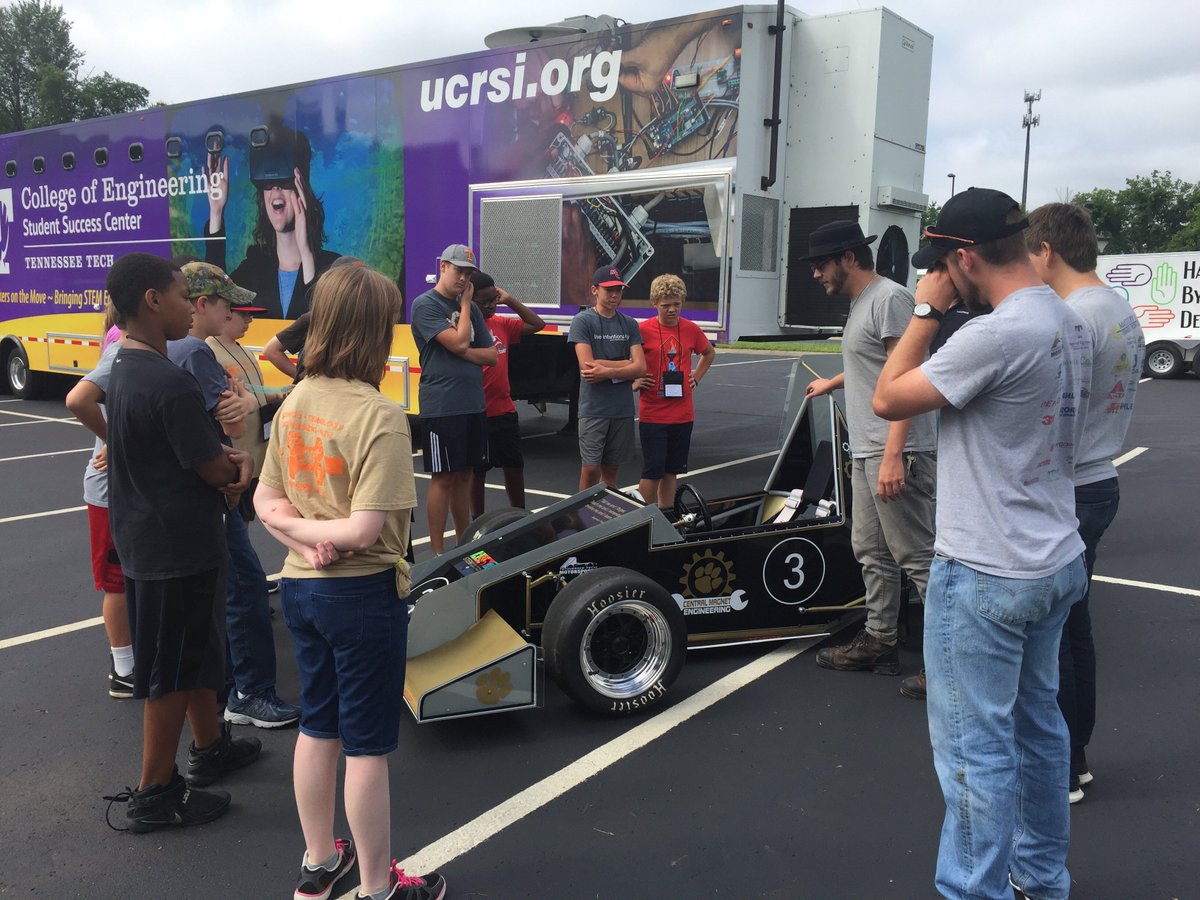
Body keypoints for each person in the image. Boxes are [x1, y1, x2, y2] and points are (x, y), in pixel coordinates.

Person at [873, 187, 1091, 900]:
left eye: (944, 262)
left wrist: (927, 311)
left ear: (965, 257)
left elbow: (889, 396)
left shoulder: (993, 336)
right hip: (1054, 557)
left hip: (987, 570)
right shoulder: (1068, 318)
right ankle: (1041, 880)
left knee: (975, 755)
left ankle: (976, 892)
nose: (939, 272)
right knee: (1039, 730)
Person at [254, 264, 446, 900]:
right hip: (361, 595)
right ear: (373, 332)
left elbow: (266, 505)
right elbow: (365, 530)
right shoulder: (381, 416)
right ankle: (376, 888)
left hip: (302, 590)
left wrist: (307, 540)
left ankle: (318, 860)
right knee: (365, 747)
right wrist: (331, 539)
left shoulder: (295, 402)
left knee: (318, 727)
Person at [101, 253, 260, 832]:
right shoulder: (168, 381)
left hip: (152, 539)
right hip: (176, 548)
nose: (187, 307)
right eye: (178, 296)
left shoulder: (125, 365)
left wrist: (222, 463)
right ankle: (154, 794)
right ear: (150, 301)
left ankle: (211, 745)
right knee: (169, 672)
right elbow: (213, 468)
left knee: (194, 653)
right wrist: (237, 467)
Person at [1027, 201, 1145, 804]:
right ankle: (1078, 755)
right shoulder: (1119, 309)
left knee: (1053, 636)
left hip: (1068, 487)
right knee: (1075, 626)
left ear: (1046, 249)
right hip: (1099, 481)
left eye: (1030, 250)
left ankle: (1064, 766)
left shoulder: (1073, 317)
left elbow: (1050, 411)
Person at [169, 261, 300, 729]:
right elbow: (230, 419)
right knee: (243, 590)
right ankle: (250, 692)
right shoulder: (195, 351)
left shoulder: (148, 350)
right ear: (203, 304)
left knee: (217, 595)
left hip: (185, 499)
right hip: (214, 491)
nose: (233, 314)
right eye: (227, 304)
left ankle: (225, 691)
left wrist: (248, 397)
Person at [803, 221, 937, 678]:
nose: (815, 274)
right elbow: (879, 366)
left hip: (895, 450)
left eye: (820, 264)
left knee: (917, 558)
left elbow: (908, 375)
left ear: (849, 258)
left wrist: (894, 454)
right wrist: (834, 382)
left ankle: (953, 661)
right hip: (868, 449)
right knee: (871, 551)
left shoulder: (891, 299)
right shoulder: (864, 303)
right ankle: (880, 640)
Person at [410, 244, 497, 555]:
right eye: (459, 270)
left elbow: (492, 356)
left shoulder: (471, 309)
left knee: (466, 475)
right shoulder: (425, 305)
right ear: (443, 266)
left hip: (473, 402)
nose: (464, 277)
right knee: (443, 477)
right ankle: (437, 553)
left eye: (469, 273)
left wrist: (464, 350)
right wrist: (466, 305)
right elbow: (460, 340)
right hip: (443, 404)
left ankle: (463, 545)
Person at [205, 122, 341, 320]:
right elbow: (213, 299)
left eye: (285, 183)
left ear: (302, 191)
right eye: (268, 184)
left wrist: (306, 253)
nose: (275, 191)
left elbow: (322, 321)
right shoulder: (253, 268)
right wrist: (216, 213)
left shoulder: (334, 267)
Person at [66, 326, 133, 698]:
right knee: (117, 581)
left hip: (132, 491)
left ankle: (132, 657)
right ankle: (123, 669)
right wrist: (114, 439)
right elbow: (77, 400)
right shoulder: (121, 350)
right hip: (109, 494)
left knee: (132, 578)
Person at [631, 274, 715, 507]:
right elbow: (626, 362)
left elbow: (709, 353)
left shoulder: (690, 329)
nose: (671, 310)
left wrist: (695, 378)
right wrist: (634, 382)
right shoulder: (642, 330)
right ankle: (641, 517)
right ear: (654, 303)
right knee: (652, 470)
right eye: (666, 305)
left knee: (671, 471)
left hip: (682, 414)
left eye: (676, 304)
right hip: (653, 414)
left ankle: (666, 516)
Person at [468, 270, 545, 517]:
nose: (491, 306)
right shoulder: (464, 329)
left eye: (494, 300)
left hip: (504, 411)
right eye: (484, 302)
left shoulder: (501, 323)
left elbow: (537, 324)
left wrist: (510, 300)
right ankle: (476, 521)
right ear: (470, 300)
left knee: (514, 465)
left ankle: (519, 515)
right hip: (477, 413)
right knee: (477, 471)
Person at [568, 265, 646, 491]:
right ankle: (580, 517)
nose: (614, 295)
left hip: (621, 410)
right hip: (594, 409)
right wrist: (626, 365)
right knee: (591, 469)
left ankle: (604, 517)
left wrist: (607, 369)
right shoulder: (583, 321)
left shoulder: (629, 324)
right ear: (595, 290)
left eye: (619, 290)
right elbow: (588, 368)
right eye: (609, 290)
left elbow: (641, 367)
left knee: (611, 469)